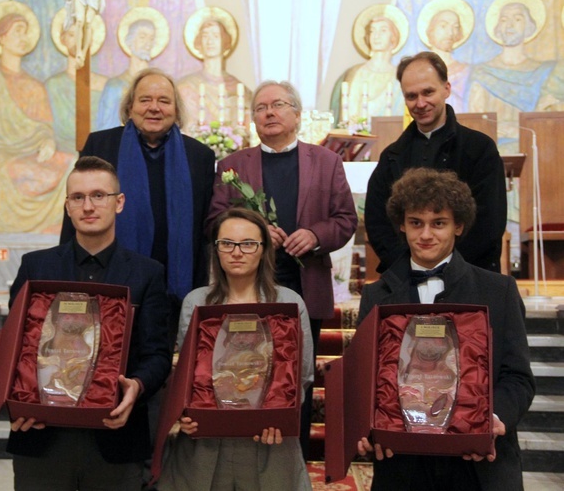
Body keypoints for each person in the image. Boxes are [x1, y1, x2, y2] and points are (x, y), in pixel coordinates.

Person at [357, 168, 534, 491]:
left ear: (459, 226)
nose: (426, 234)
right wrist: (370, 428)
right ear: (402, 224)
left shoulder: (499, 291)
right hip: (403, 463)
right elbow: (366, 380)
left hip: (478, 465)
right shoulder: (377, 296)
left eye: (438, 223)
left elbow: (518, 377)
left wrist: (493, 420)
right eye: (416, 223)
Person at [208, 80, 358, 457]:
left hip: (305, 289)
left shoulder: (326, 162)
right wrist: (252, 233)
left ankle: (294, 457)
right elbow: (213, 221)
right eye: (261, 107)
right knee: (245, 371)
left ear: (297, 113)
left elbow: (345, 219)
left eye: (277, 105)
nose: (269, 113)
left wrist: (314, 234)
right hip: (246, 289)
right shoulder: (232, 167)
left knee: (297, 379)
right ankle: (242, 453)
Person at [6, 156, 171, 490]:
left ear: (119, 202)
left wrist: (136, 386)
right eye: (77, 197)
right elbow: (12, 349)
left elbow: (157, 355)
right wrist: (14, 401)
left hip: (115, 437)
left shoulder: (147, 273)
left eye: (99, 195)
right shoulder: (35, 268)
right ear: (67, 206)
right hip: (42, 437)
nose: (88, 205)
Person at [156, 208, 313, 491]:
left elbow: (302, 375)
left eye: (248, 244)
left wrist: (281, 415)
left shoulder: (289, 303)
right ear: (215, 249)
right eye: (226, 243)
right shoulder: (196, 302)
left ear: (264, 249)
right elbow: (186, 375)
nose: (236, 252)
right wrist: (184, 414)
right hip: (204, 441)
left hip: (269, 441)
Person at [62, 68, 216, 348]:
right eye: (145, 100)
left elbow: (204, 231)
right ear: (130, 106)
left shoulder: (200, 156)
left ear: (176, 110)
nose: (154, 108)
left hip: (175, 288)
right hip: (107, 281)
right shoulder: (101, 145)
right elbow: (75, 208)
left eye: (164, 101)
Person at [366, 51, 507, 274]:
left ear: (446, 89)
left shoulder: (479, 148)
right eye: (411, 96)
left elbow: (489, 223)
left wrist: (445, 269)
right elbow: (377, 222)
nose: (420, 103)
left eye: (428, 92)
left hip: (470, 275)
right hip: (406, 277)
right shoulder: (392, 156)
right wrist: (408, 267)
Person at [0, 3, 75, 234]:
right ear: (1, 37)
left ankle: (56, 228)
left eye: (25, 31)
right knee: (34, 174)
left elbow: (45, 127)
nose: (23, 37)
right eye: (17, 31)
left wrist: (48, 142)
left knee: (73, 163)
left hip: (31, 152)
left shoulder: (35, 86)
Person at [468, 0, 554, 153]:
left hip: (534, 152)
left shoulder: (545, 73)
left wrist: (518, 130)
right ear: (497, 28)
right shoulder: (482, 73)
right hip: (492, 154)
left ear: (529, 27)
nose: (510, 25)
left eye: (518, 19)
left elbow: (548, 121)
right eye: (504, 19)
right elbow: (477, 122)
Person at [177, 10, 252, 133]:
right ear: (198, 41)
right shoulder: (185, 86)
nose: (210, 41)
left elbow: (248, 128)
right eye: (205, 36)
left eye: (216, 36)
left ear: (225, 41)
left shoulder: (239, 89)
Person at [330, 7, 407, 124]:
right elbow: (344, 117)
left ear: (393, 37)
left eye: (383, 30)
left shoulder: (400, 77)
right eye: (372, 31)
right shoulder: (353, 74)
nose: (376, 36)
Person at [46, 10, 108, 154]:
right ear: (63, 39)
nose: (78, 41)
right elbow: (47, 125)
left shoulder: (106, 85)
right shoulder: (53, 85)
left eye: (83, 35)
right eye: (72, 35)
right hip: (63, 152)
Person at [96, 18, 158, 131]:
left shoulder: (159, 86)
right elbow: (105, 128)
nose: (147, 43)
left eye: (151, 38)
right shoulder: (114, 86)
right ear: (130, 41)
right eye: (142, 37)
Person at [418, 0, 473, 113]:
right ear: (431, 30)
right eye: (443, 26)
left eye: (455, 27)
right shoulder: (418, 71)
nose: (450, 32)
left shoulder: (467, 71)